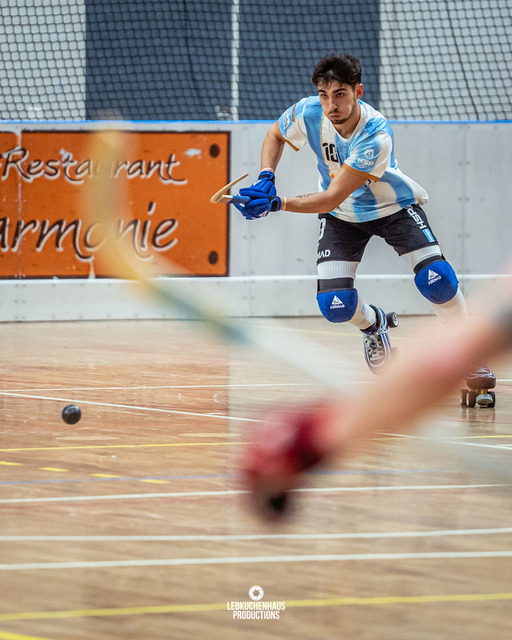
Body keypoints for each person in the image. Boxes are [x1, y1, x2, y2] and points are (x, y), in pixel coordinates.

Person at [234, 53, 495, 403]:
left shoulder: (375, 135)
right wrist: (266, 176)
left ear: (358, 91)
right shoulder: (308, 111)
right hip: (342, 216)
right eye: (324, 95)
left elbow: (330, 196)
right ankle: (375, 324)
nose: (331, 105)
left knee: (438, 280)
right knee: (335, 305)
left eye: (340, 94)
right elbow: (274, 134)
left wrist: (276, 203)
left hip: (393, 209)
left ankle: (468, 354)